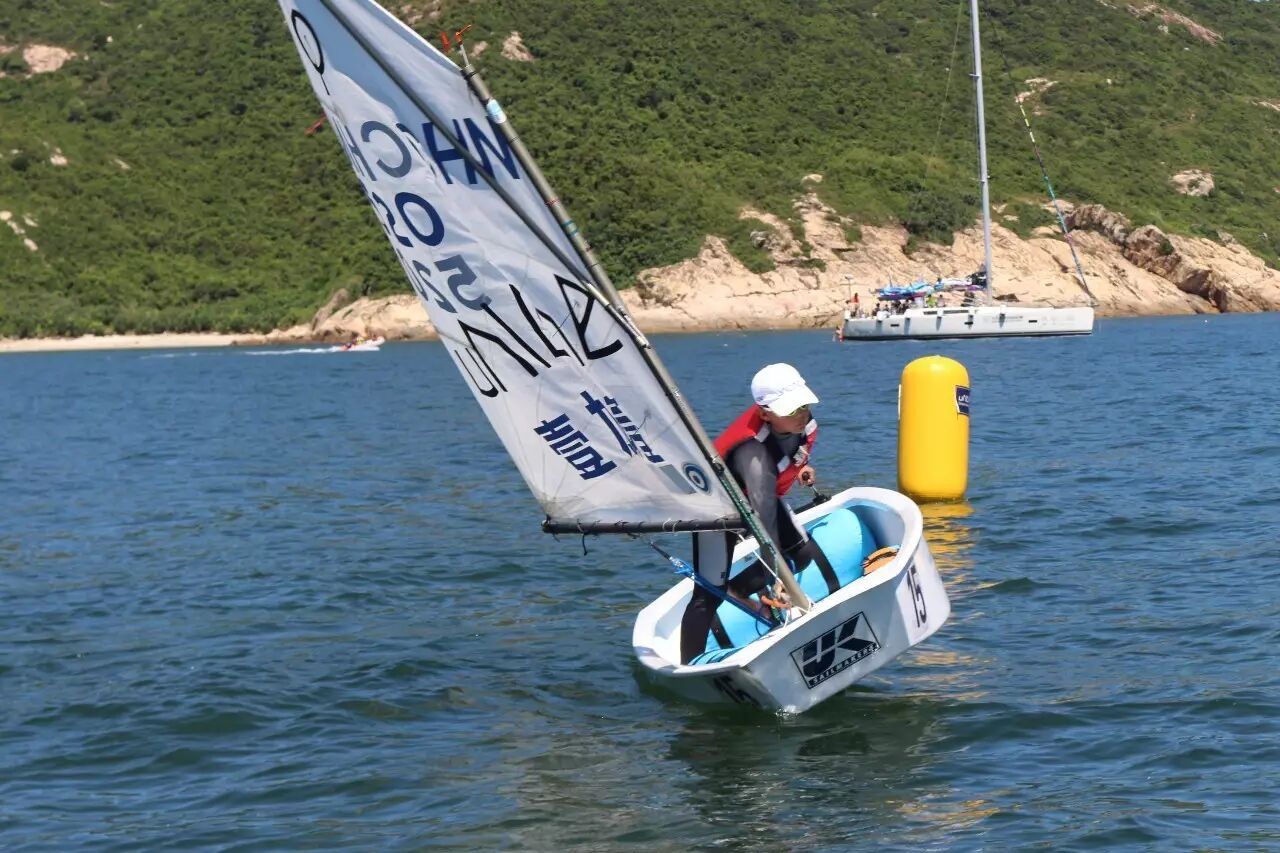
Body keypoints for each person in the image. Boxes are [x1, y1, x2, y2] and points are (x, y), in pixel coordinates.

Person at [680, 363, 834, 664]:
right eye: (792, 410)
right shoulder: (751, 450)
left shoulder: (801, 424)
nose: (801, 415)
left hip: (760, 496)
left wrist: (800, 468)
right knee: (707, 595)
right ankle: (689, 666)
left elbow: (787, 456)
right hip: (718, 512)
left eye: (804, 405)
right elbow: (764, 517)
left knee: (803, 554)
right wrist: (778, 575)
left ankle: (737, 590)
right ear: (765, 414)